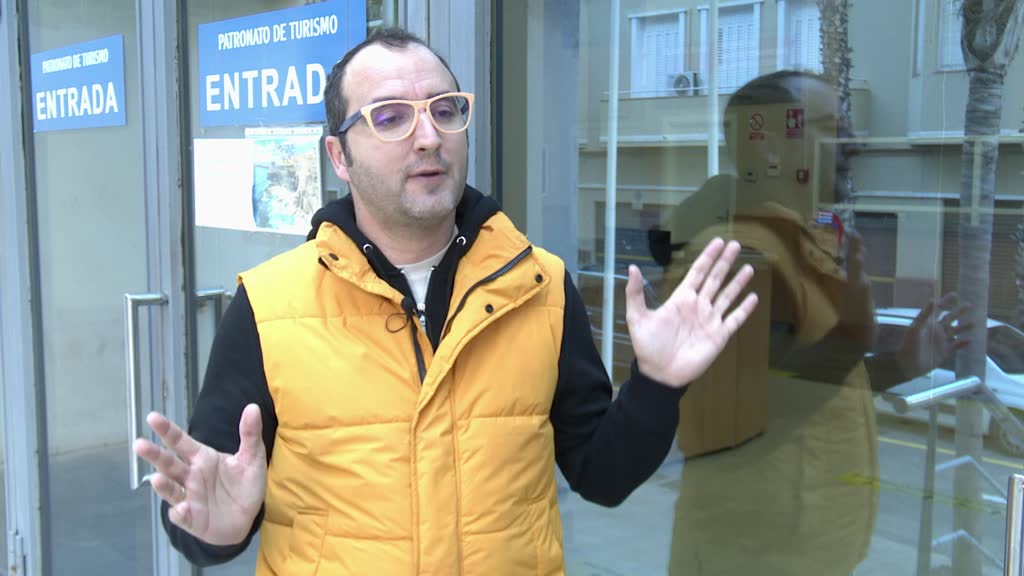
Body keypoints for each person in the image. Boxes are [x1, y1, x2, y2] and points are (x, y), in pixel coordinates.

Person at [132, 28, 758, 575]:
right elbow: (208, 500)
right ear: (338, 156)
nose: (429, 136)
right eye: (390, 117)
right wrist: (216, 530)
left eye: (445, 109)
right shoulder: (268, 306)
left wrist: (656, 386)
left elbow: (602, 475)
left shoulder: (540, 286)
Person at [662, 70, 968, 575]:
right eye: (835, 128)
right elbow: (727, 422)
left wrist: (900, 364)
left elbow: (804, 383)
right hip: (749, 558)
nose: (855, 143)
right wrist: (850, 339)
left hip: (802, 555)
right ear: (770, 147)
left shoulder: (797, 246)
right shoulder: (740, 258)